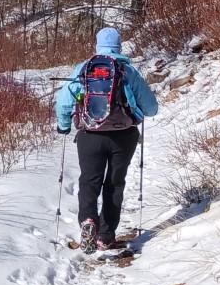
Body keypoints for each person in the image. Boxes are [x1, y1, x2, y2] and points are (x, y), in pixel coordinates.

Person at [54, 27, 158, 251]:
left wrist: (63, 126)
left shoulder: (84, 69)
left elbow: (63, 101)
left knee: (89, 181)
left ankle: (88, 221)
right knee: (114, 184)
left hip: (90, 136)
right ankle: (105, 235)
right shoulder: (128, 71)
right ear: (119, 46)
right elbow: (151, 109)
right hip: (123, 136)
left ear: (97, 45)